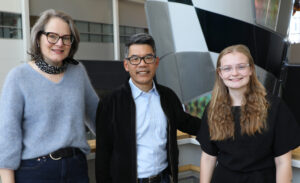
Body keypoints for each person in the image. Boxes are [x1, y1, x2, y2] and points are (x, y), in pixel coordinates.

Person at [0, 9, 99, 183]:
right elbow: (7, 137)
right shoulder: (19, 77)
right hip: (35, 171)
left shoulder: (78, 72)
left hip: (76, 168)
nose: (59, 43)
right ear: (38, 38)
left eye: (66, 38)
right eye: (52, 36)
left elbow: (100, 117)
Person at [95, 33, 201, 183]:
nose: (142, 64)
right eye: (135, 59)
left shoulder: (167, 96)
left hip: (163, 179)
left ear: (156, 62)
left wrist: (223, 128)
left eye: (148, 58)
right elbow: (103, 155)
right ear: (126, 65)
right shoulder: (110, 103)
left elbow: (187, 123)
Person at [197, 44, 300, 183]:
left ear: (251, 69)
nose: (234, 73)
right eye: (227, 68)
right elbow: (208, 157)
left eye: (241, 67)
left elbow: (283, 162)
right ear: (220, 74)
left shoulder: (274, 107)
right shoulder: (212, 109)